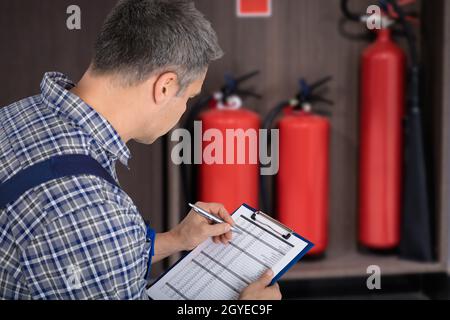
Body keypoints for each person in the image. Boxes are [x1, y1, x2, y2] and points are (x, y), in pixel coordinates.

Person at [0, 0, 282, 300]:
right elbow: (92, 241)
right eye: (189, 96)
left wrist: (176, 240)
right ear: (165, 87)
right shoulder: (94, 213)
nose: (184, 107)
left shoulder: (16, 116)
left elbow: (67, 259)